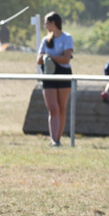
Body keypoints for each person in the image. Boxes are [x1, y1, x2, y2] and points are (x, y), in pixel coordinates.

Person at [36, 11, 73, 146]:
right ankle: (53, 139)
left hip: (63, 73)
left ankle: (58, 138)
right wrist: (46, 58)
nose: (45, 26)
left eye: (47, 23)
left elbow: (66, 58)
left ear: (53, 23)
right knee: (53, 108)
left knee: (62, 107)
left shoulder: (67, 38)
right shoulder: (46, 40)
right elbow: (39, 60)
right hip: (49, 74)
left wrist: (51, 57)